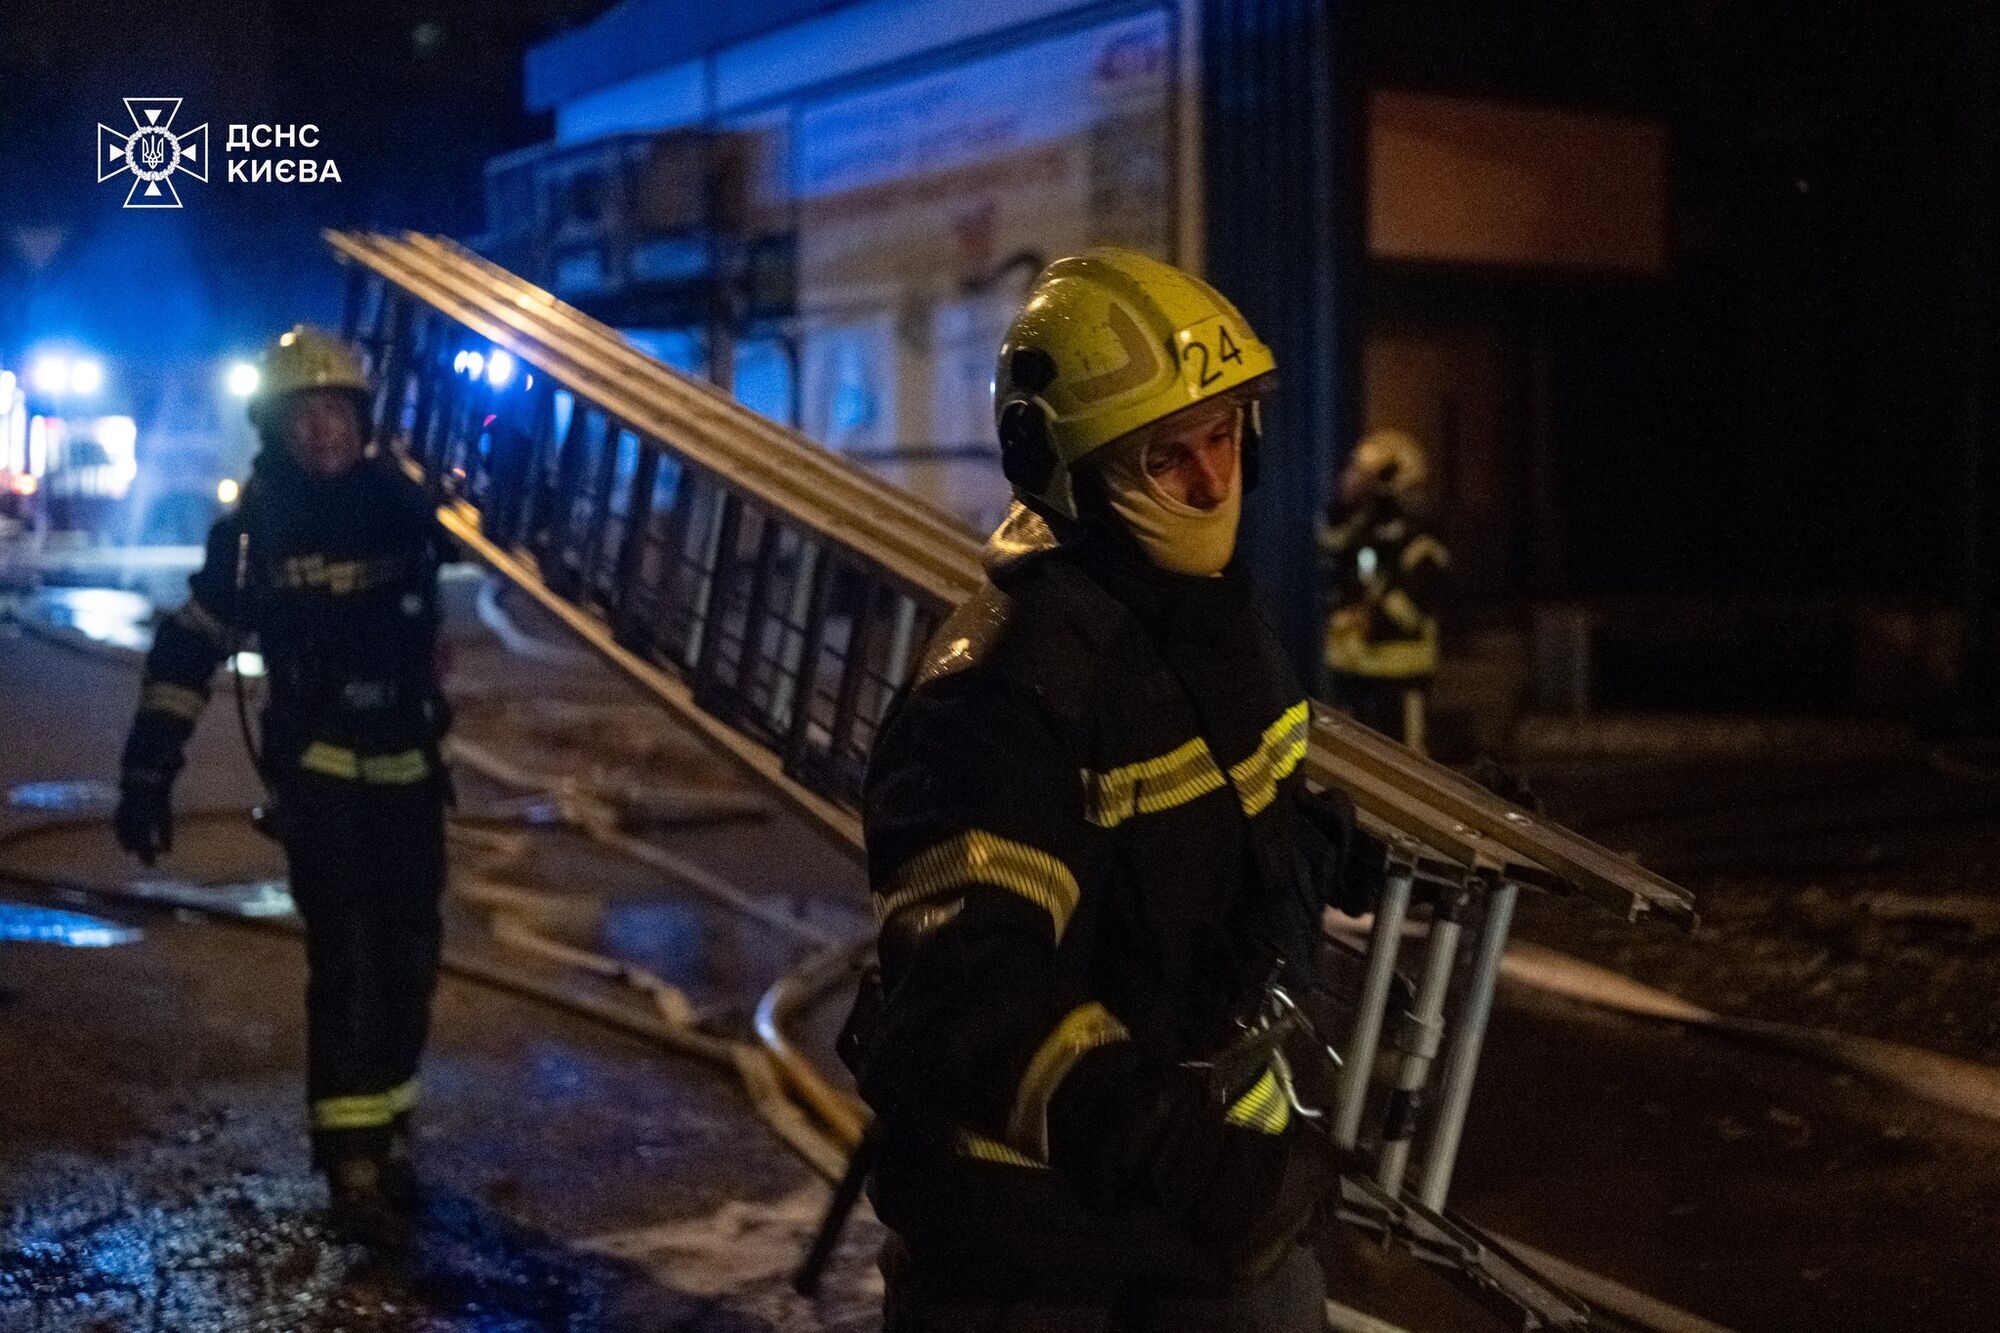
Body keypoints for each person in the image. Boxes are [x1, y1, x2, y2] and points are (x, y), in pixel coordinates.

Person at [846, 249, 1380, 1331]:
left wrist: (1324, 846)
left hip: (1205, 1229)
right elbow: (964, 995)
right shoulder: (998, 693)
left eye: (1222, 438)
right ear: (1066, 469)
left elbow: (1208, 828)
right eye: (1163, 457)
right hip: (1038, 1255)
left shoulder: (1209, 617)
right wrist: (1174, 1152)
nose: (1206, 484)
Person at [113, 325, 453, 1241]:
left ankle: (389, 1134)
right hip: (323, 776)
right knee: (346, 959)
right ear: (276, 429)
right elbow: (187, 648)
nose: (322, 434)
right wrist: (149, 772)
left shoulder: (404, 508)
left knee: (411, 959)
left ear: (363, 421)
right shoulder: (256, 531)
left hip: (414, 774)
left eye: (336, 414)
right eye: (304, 418)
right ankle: (348, 1162)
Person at [1320, 427, 1450, 751]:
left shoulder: (1419, 531)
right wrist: (1342, 503)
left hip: (1401, 673)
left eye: (1365, 472)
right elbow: (1331, 546)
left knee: (1407, 768)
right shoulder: (1361, 523)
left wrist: (1370, 616)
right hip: (1355, 671)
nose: (1354, 478)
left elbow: (1416, 601)